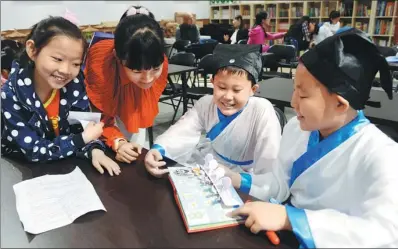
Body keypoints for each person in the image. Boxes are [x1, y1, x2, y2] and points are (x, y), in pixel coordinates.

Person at [221, 29, 398, 247]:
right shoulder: (298, 128)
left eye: (303, 95)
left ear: (340, 104)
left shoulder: (382, 155)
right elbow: (280, 183)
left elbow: (384, 232)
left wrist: (291, 219)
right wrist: (237, 178)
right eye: (294, 89)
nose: (293, 102)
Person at [145, 44, 282, 184]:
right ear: (213, 83)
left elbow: (269, 157)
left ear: (253, 89)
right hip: (212, 164)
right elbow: (182, 130)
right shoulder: (205, 103)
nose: (228, 96)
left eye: (236, 90)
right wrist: (160, 149)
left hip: (244, 175)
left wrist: (258, 184)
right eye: (221, 87)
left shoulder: (261, 110)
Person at [1, 17, 120, 176]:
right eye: (57, 59)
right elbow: (34, 151)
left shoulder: (75, 83)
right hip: (21, 167)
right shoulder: (11, 95)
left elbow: (83, 127)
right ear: (32, 50)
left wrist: (95, 150)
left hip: (65, 161)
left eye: (76, 63)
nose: (66, 70)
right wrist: (80, 140)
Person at [84, 6, 168, 164]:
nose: (148, 79)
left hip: (133, 100)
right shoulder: (101, 66)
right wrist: (118, 142)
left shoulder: (158, 57)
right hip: (102, 108)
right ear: (117, 56)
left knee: (136, 149)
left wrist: (132, 145)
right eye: (137, 71)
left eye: (155, 69)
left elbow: (139, 111)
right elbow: (99, 118)